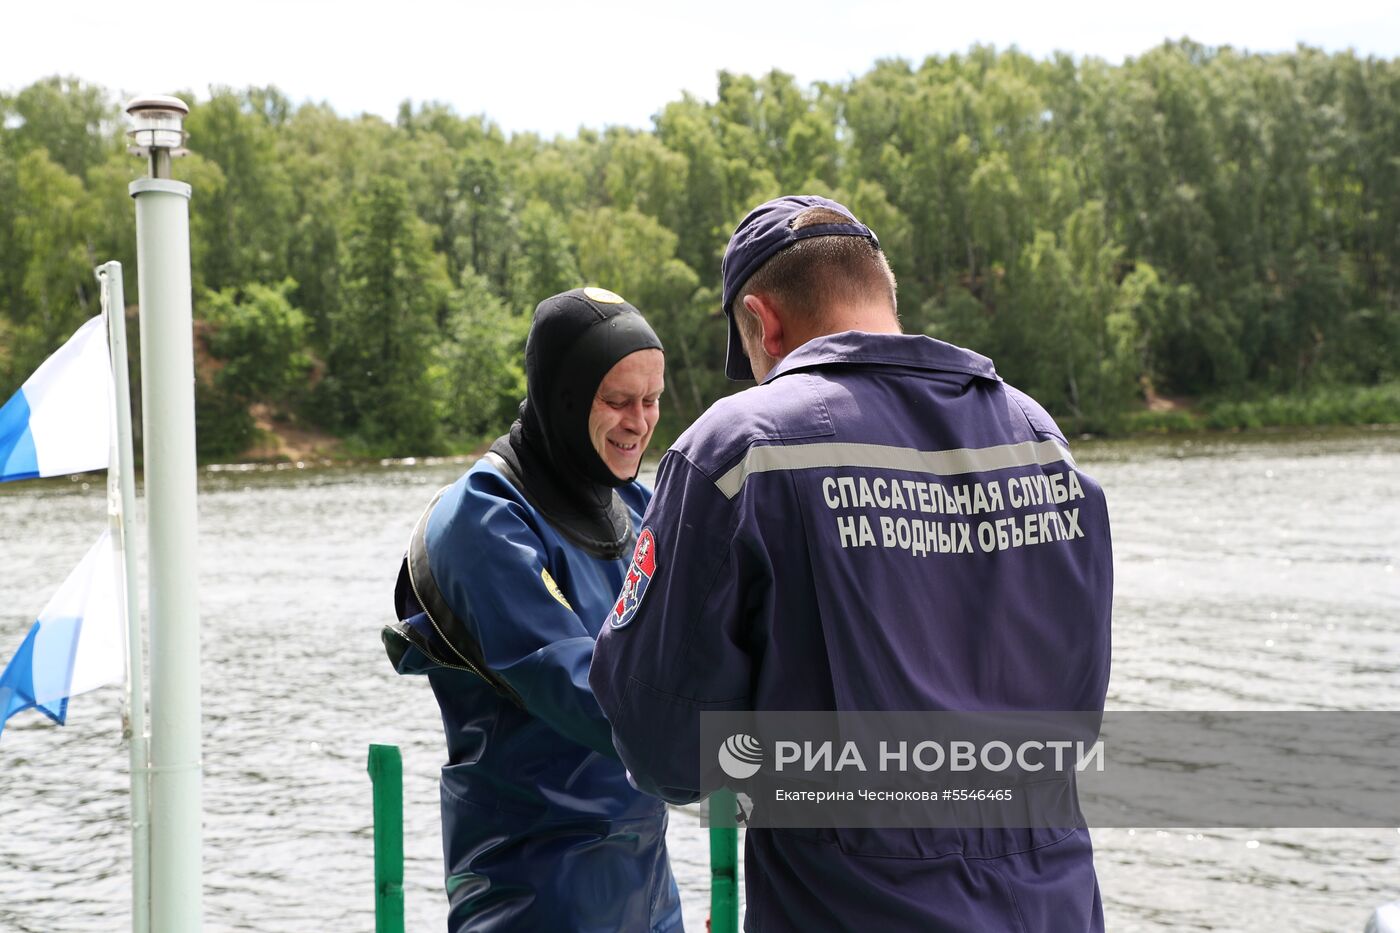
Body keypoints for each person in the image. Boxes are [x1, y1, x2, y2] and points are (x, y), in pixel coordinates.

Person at [590, 196, 1114, 931]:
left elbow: (665, 748)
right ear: (881, 293)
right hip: (1057, 904)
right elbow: (1072, 723)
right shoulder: (1037, 435)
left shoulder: (741, 448)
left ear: (764, 322)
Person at [384, 286, 683, 932]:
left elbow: (705, 641)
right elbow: (582, 688)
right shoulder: (481, 521)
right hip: (532, 898)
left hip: (649, 895)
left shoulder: (636, 504)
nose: (641, 421)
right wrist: (754, 754)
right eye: (619, 401)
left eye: (653, 400)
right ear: (564, 397)